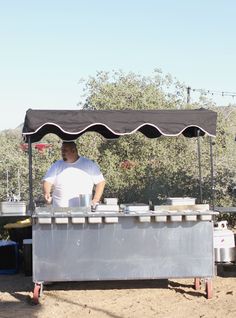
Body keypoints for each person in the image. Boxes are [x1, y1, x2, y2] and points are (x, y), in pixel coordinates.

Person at [42, 141, 105, 208]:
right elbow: (47, 181)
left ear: (73, 150)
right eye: (62, 150)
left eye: (65, 150)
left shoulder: (89, 164)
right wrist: (47, 193)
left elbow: (101, 182)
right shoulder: (57, 165)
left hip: (83, 212)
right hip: (59, 212)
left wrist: (95, 199)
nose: (62, 153)